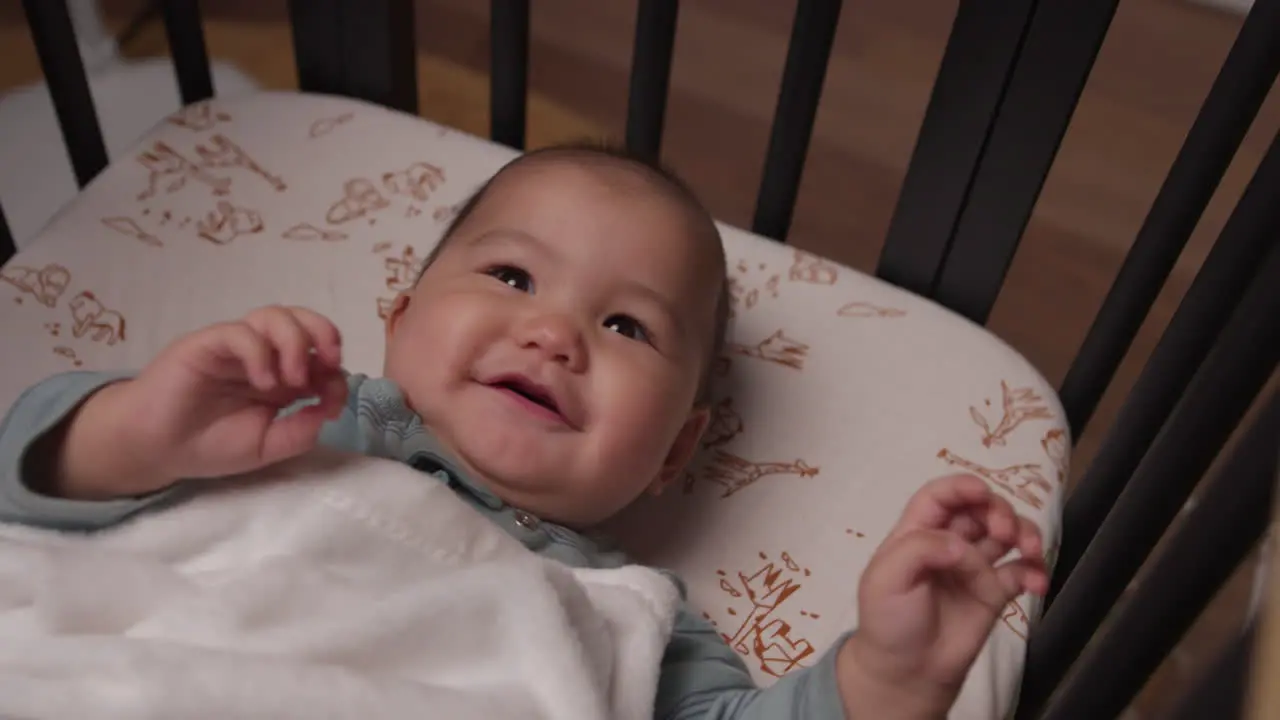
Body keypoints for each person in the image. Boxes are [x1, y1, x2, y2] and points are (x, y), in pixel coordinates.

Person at [0, 143, 1047, 719]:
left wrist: (888, 680)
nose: (553, 333)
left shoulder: (631, 616)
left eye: (626, 325)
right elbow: (32, 501)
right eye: (511, 276)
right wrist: (135, 432)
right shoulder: (284, 423)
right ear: (399, 325)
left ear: (674, 451)